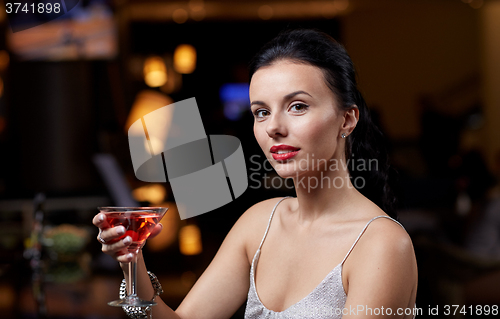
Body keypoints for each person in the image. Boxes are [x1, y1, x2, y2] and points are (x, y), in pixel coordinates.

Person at [93, 29, 418, 318]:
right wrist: (132, 263)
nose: (274, 127)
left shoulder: (381, 245)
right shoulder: (259, 222)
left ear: (347, 119)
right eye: (261, 112)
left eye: (297, 106)